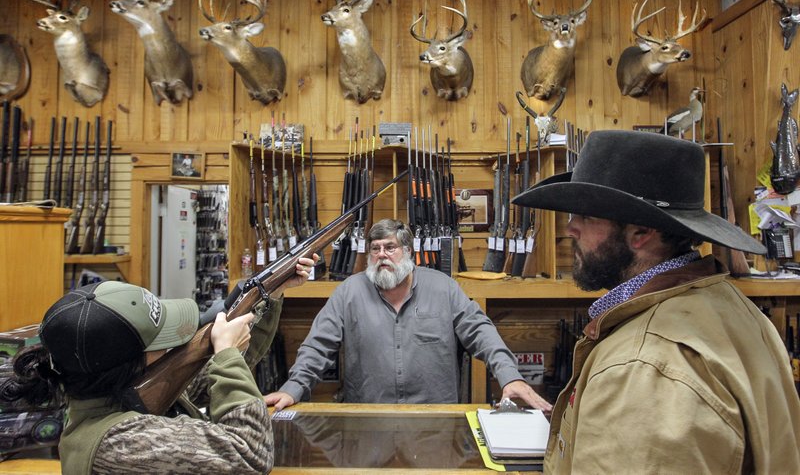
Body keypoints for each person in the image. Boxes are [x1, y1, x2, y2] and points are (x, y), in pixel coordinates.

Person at [512, 130, 800, 473]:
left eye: (586, 216)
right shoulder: (730, 308)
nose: (570, 228)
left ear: (640, 233)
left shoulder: (641, 369)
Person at [0, 256, 316, 474]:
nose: (171, 347)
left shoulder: (115, 394)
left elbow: (210, 377)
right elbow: (249, 453)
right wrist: (225, 355)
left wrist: (269, 295)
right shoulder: (120, 442)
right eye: (160, 343)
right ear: (130, 365)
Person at [265, 219, 552, 412]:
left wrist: (509, 375)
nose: (382, 255)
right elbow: (317, 346)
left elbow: (482, 333)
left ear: (409, 253)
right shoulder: (349, 293)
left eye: (390, 248)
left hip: (436, 423)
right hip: (366, 423)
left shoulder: (444, 289)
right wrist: (294, 388)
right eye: (375, 250)